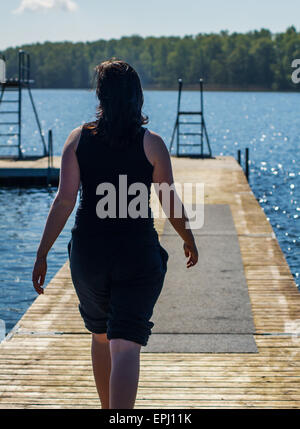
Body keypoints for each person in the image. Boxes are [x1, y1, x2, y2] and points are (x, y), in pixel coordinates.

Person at [32, 58, 198, 409]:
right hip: (135, 255)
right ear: (137, 97)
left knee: (101, 336)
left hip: (90, 256)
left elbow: (64, 201)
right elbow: (170, 202)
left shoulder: (78, 140)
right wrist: (188, 237)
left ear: (101, 97)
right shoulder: (151, 143)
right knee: (125, 345)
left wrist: (43, 251)